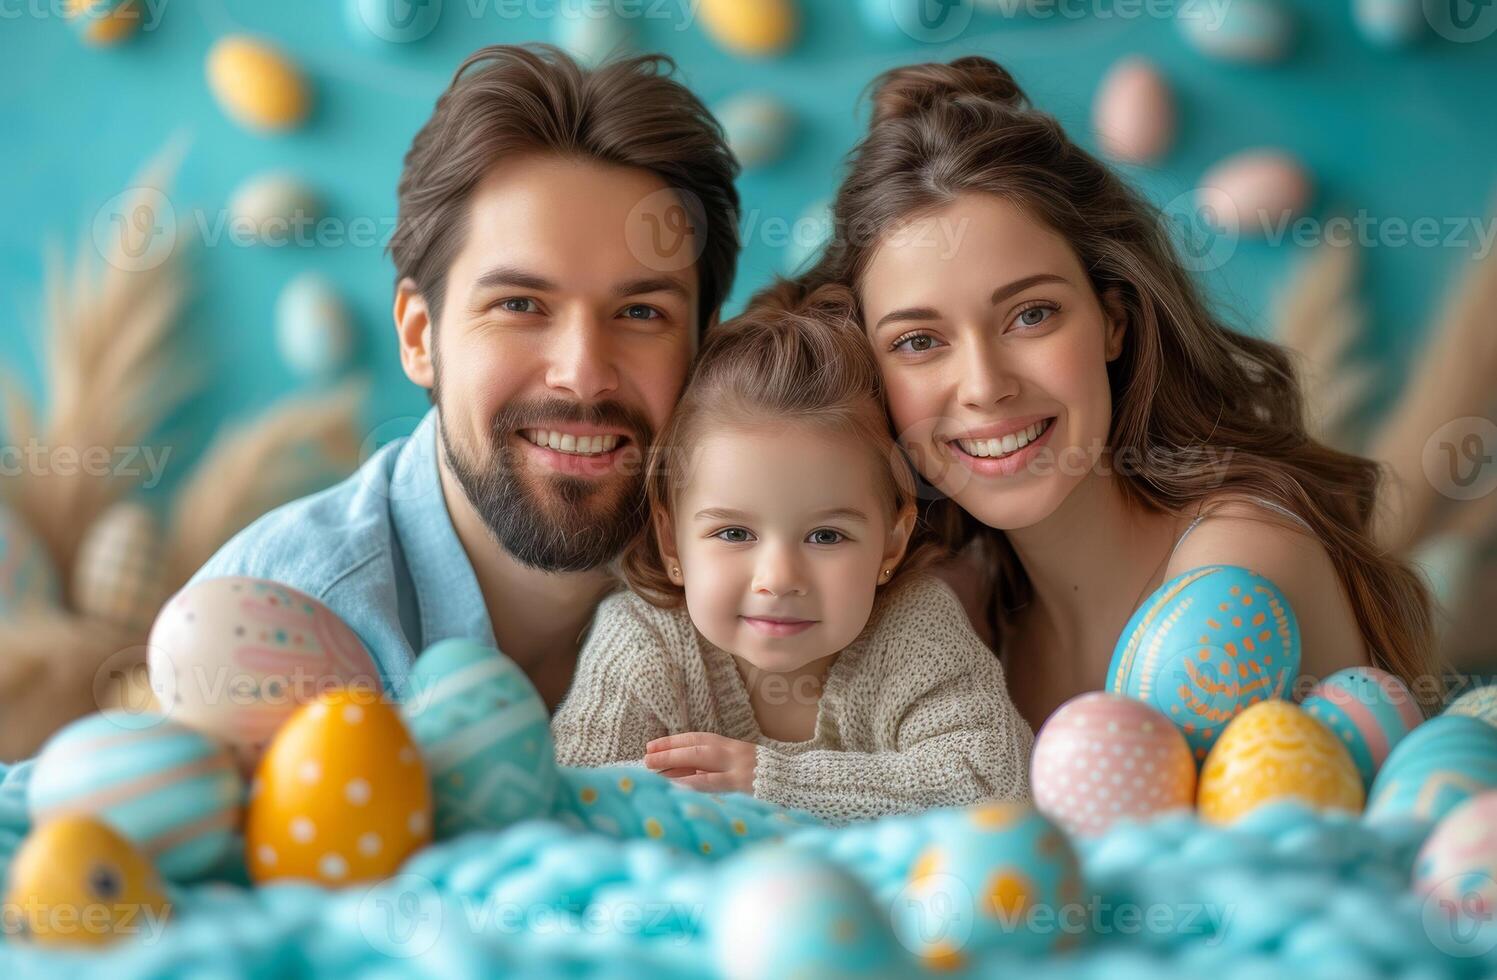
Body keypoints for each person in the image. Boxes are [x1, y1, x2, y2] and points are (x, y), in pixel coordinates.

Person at [778, 56, 1439, 730]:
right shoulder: (966, 610)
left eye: (1031, 315)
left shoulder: (1232, 575)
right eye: (918, 341)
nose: (983, 387)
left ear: (1113, 323)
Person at [186, 44, 741, 711]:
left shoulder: (767, 589)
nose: (583, 375)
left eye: (641, 312)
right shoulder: (278, 634)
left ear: (703, 349)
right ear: (420, 337)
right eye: (520, 305)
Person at [550, 286, 1033, 825]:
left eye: (826, 536)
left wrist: (771, 780)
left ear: (891, 541)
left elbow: (993, 783)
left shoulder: (915, 629)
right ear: (671, 541)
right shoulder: (644, 643)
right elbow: (574, 802)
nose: (778, 580)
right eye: (734, 534)